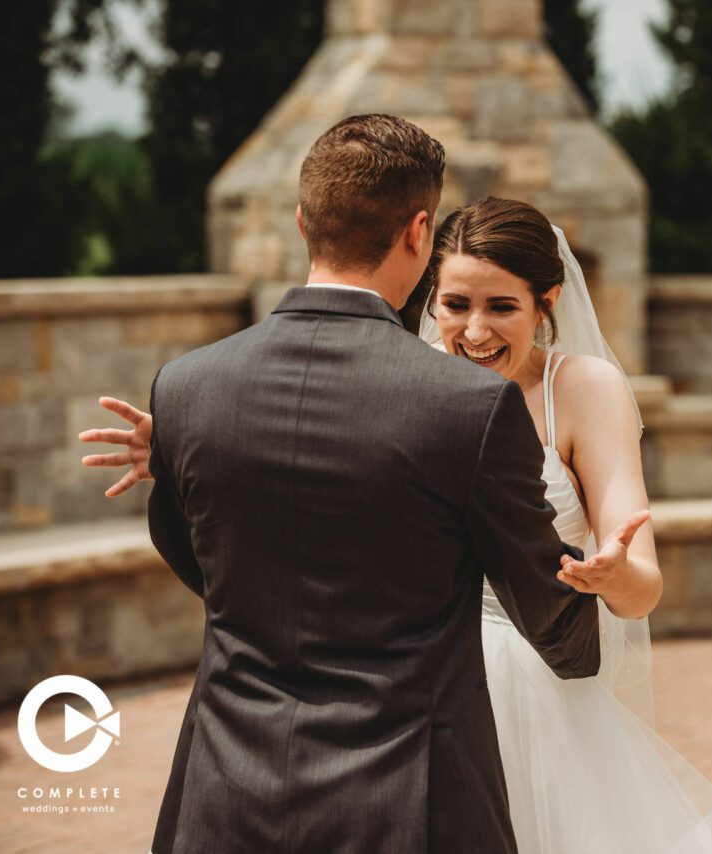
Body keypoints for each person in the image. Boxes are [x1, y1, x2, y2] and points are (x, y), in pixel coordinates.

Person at [84, 113, 650, 853]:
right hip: (404, 795)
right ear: (419, 232)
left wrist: (196, 454)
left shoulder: (188, 389)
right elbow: (555, 626)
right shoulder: (470, 408)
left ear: (302, 222)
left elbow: (201, 560)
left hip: (226, 786)